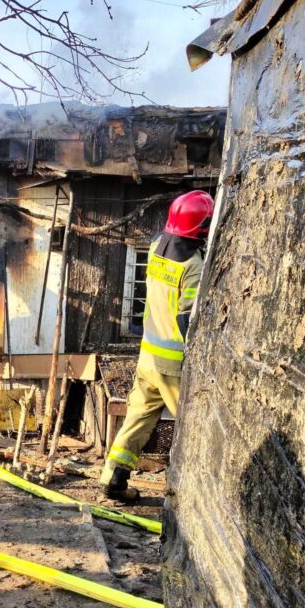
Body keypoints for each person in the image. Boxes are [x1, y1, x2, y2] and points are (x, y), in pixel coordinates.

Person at [99, 189, 215, 502]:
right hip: (173, 363)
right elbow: (187, 319)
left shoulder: (155, 246)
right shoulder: (193, 266)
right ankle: (192, 496)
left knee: (138, 417)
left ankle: (112, 477)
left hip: (148, 356)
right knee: (192, 427)